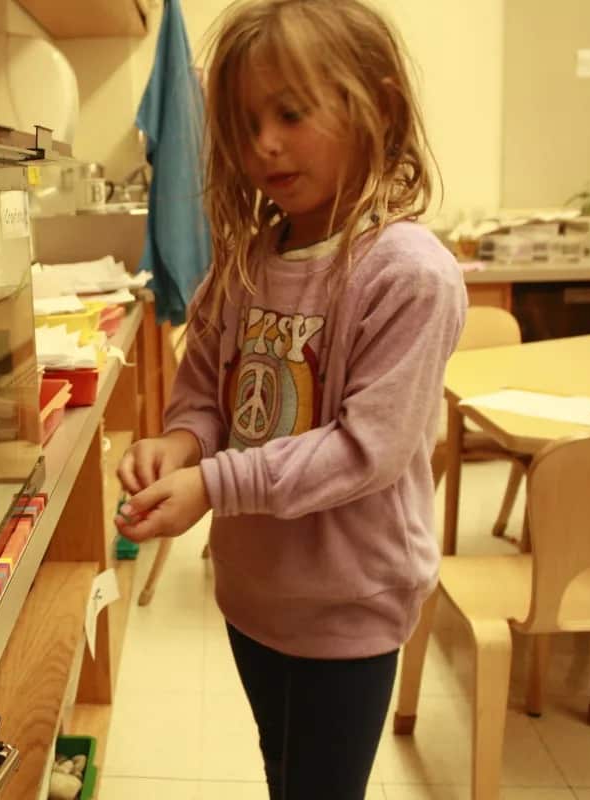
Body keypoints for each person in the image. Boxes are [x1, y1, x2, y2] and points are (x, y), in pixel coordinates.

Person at [114, 1, 467, 797]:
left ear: (374, 104)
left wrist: (213, 484)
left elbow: (363, 451)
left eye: (291, 113)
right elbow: (206, 390)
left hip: (348, 605)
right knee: (285, 774)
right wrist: (181, 443)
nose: (262, 144)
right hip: (253, 594)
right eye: (243, 124)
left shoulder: (408, 273)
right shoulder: (243, 261)